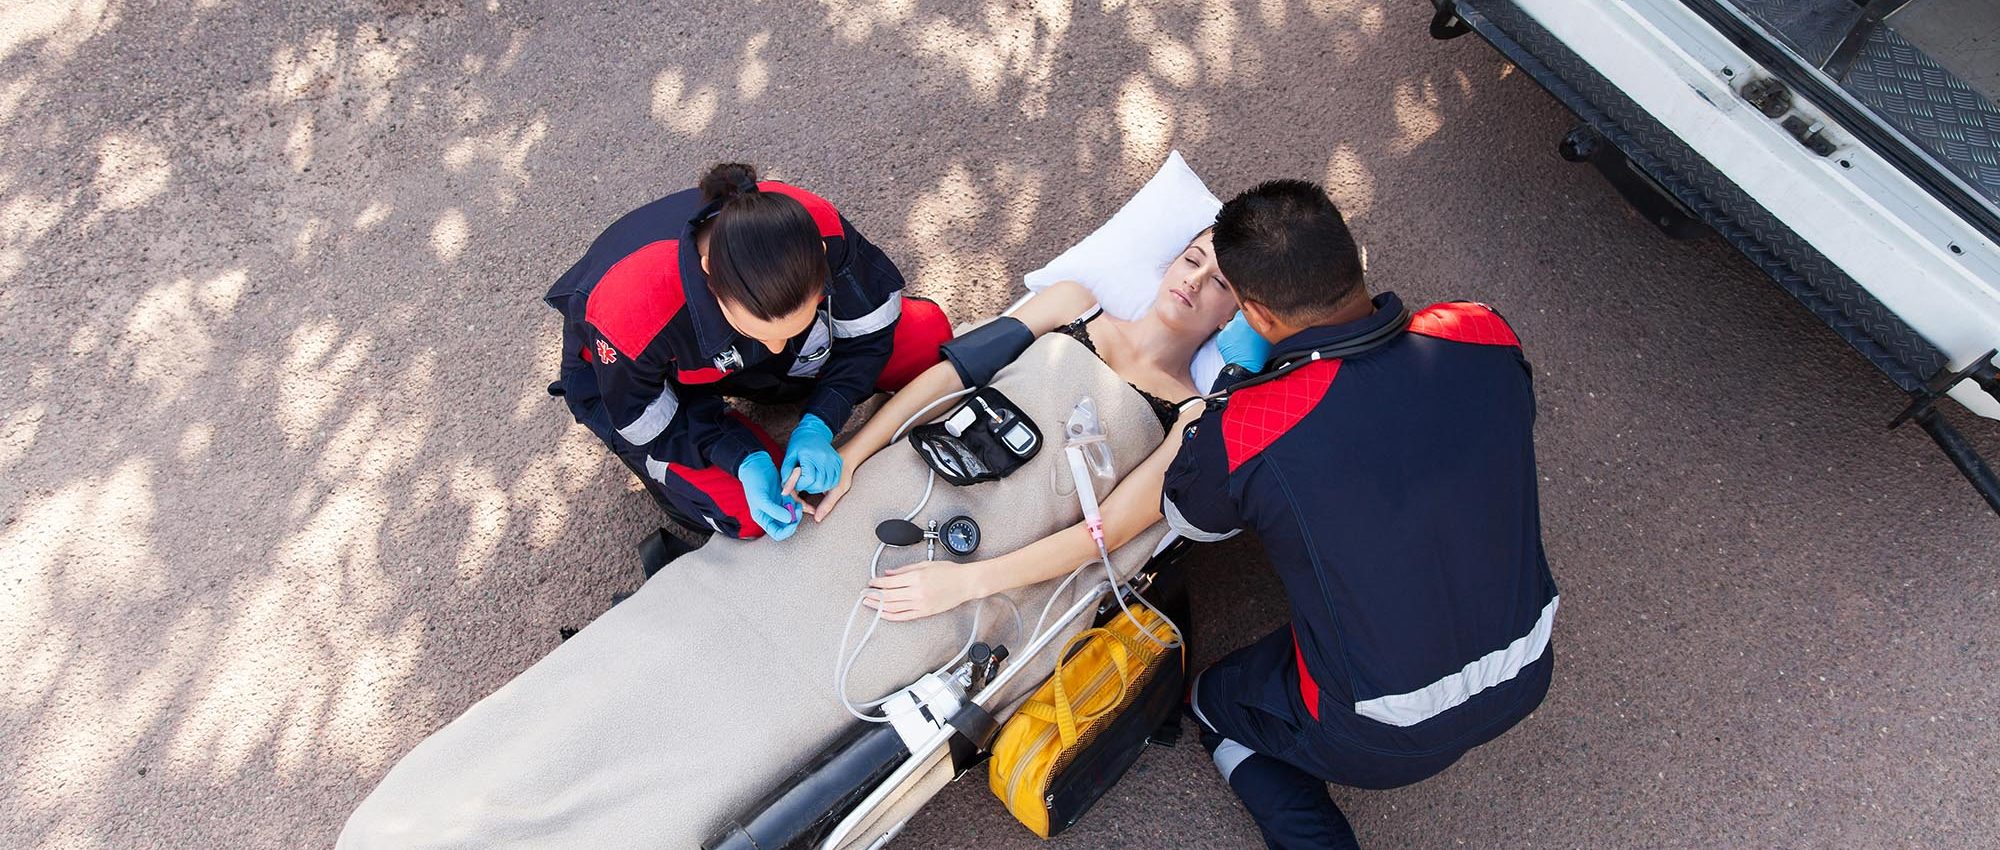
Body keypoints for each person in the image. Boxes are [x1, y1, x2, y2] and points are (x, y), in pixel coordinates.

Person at [1163, 180, 1558, 850]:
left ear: (1254, 316)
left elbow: (1190, 517)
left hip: (1379, 735)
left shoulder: (1256, 424)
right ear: (1356, 261)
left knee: (1215, 702)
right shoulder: (1482, 328)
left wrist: (1233, 388)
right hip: (1529, 668)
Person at [813, 230, 1239, 620]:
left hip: (997, 563)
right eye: (1191, 260)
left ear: (1233, 317)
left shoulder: (1191, 418)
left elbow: (1107, 530)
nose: (1195, 280)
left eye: (1220, 282)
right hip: (925, 466)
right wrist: (854, 454)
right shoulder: (1074, 306)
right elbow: (953, 376)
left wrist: (967, 584)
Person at [544, 163, 952, 545]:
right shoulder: (632, 311)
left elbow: (869, 331)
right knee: (747, 511)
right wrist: (741, 457)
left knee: (924, 338)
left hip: (728, 354)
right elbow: (644, 420)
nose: (774, 348)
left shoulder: (816, 227)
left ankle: (776, 350)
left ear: (821, 259)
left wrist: (821, 421)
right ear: (709, 275)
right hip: (648, 384)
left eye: (791, 326)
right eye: (754, 330)